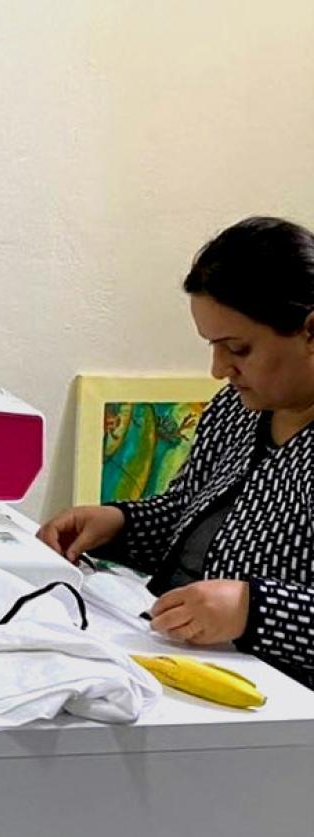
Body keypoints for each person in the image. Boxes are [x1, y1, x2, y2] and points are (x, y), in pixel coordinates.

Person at [39, 216, 314, 690]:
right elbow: (187, 513)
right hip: (178, 656)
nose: (218, 369)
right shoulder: (239, 407)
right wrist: (118, 525)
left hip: (281, 701)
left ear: (311, 332)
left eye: (238, 348)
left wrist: (257, 611)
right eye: (213, 347)